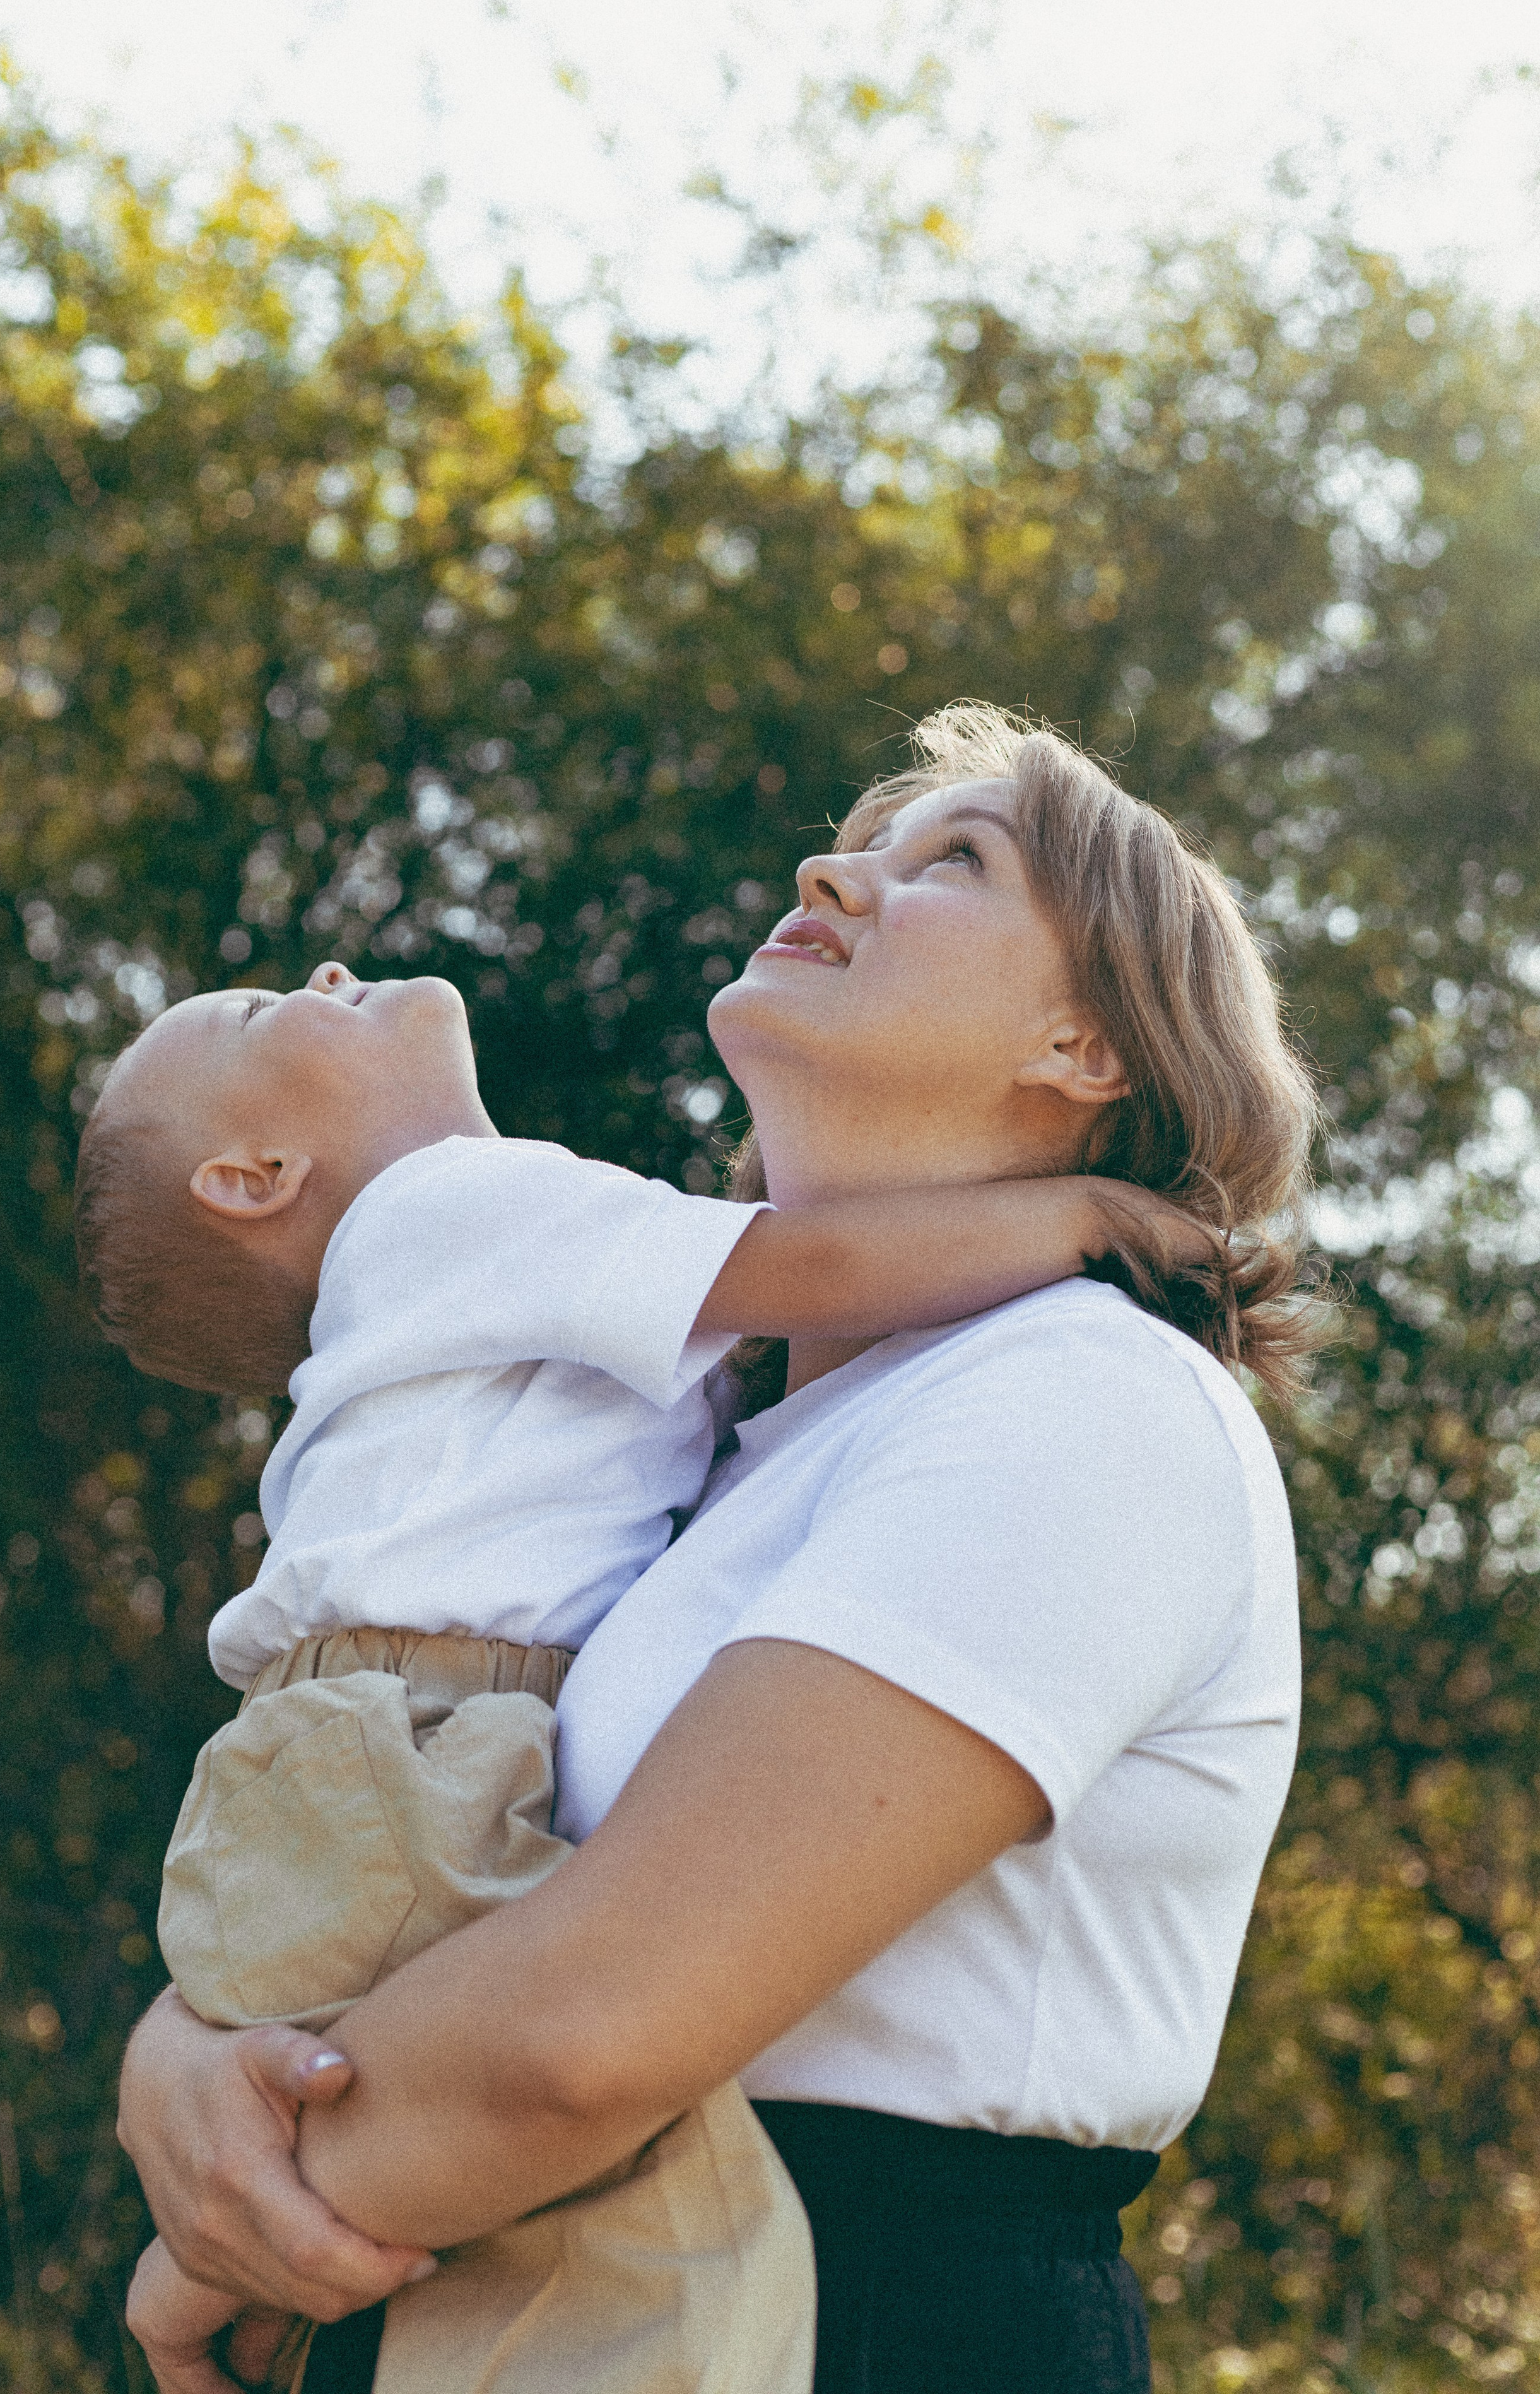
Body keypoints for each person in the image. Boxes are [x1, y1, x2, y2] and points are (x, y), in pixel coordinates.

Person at [114, 704, 1318, 2394]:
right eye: (864, 844)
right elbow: (431, 1861)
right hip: (513, 2298)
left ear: (1088, 1048)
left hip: (873, 2319)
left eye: (953, 862)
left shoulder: (1079, 1395)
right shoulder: (689, 1475)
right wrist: (175, 2066)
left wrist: (218, 2242)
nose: (835, 867)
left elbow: (577, 2038)